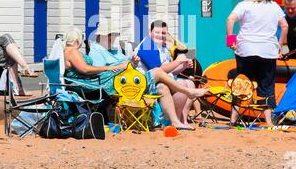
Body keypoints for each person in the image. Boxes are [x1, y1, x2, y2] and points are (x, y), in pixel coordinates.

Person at [63, 26, 208, 130]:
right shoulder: (73, 51)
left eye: (112, 35)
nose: (112, 38)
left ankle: (176, 118)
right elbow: (86, 69)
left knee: (161, 79)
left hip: (123, 78)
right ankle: (188, 93)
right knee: (157, 71)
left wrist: (131, 63)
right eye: (109, 35)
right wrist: (112, 68)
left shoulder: (112, 50)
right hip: (108, 83)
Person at [226, 0, 288, 126]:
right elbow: (284, 26)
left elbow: (230, 19)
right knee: (266, 85)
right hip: (268, 50)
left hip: (246, 49)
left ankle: (233, 119)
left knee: (242, 83)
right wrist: (280, 45)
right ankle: (268, 121)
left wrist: (230, 40)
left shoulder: (244, 5)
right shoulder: (274, 6)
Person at [134, 20, 201, 130]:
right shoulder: (147, 45)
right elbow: (159, 70)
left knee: (190, 83)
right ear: (150, 33)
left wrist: (183, 66)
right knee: (182, 84)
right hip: (147, 84)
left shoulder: (163, 48)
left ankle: (181, 120)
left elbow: (171, 72)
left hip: (161, 79)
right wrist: (178, 61)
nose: (161, 35)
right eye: (157, 32)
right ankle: (172, 121)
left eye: (164, 33)